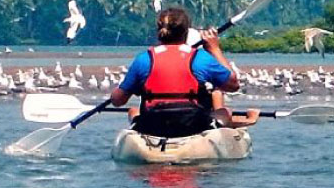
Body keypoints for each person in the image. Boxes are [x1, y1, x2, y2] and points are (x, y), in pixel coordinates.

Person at [110, 7, 256, 137]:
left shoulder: (143, 59)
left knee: (133, 111)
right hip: (193, 125)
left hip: (153, 125)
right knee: (225, 112)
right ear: (186, 32)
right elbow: (233, 85)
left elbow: (117, 101)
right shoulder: (200, 58)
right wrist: (214, 49)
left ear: (159, 31)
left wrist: (132, 86)